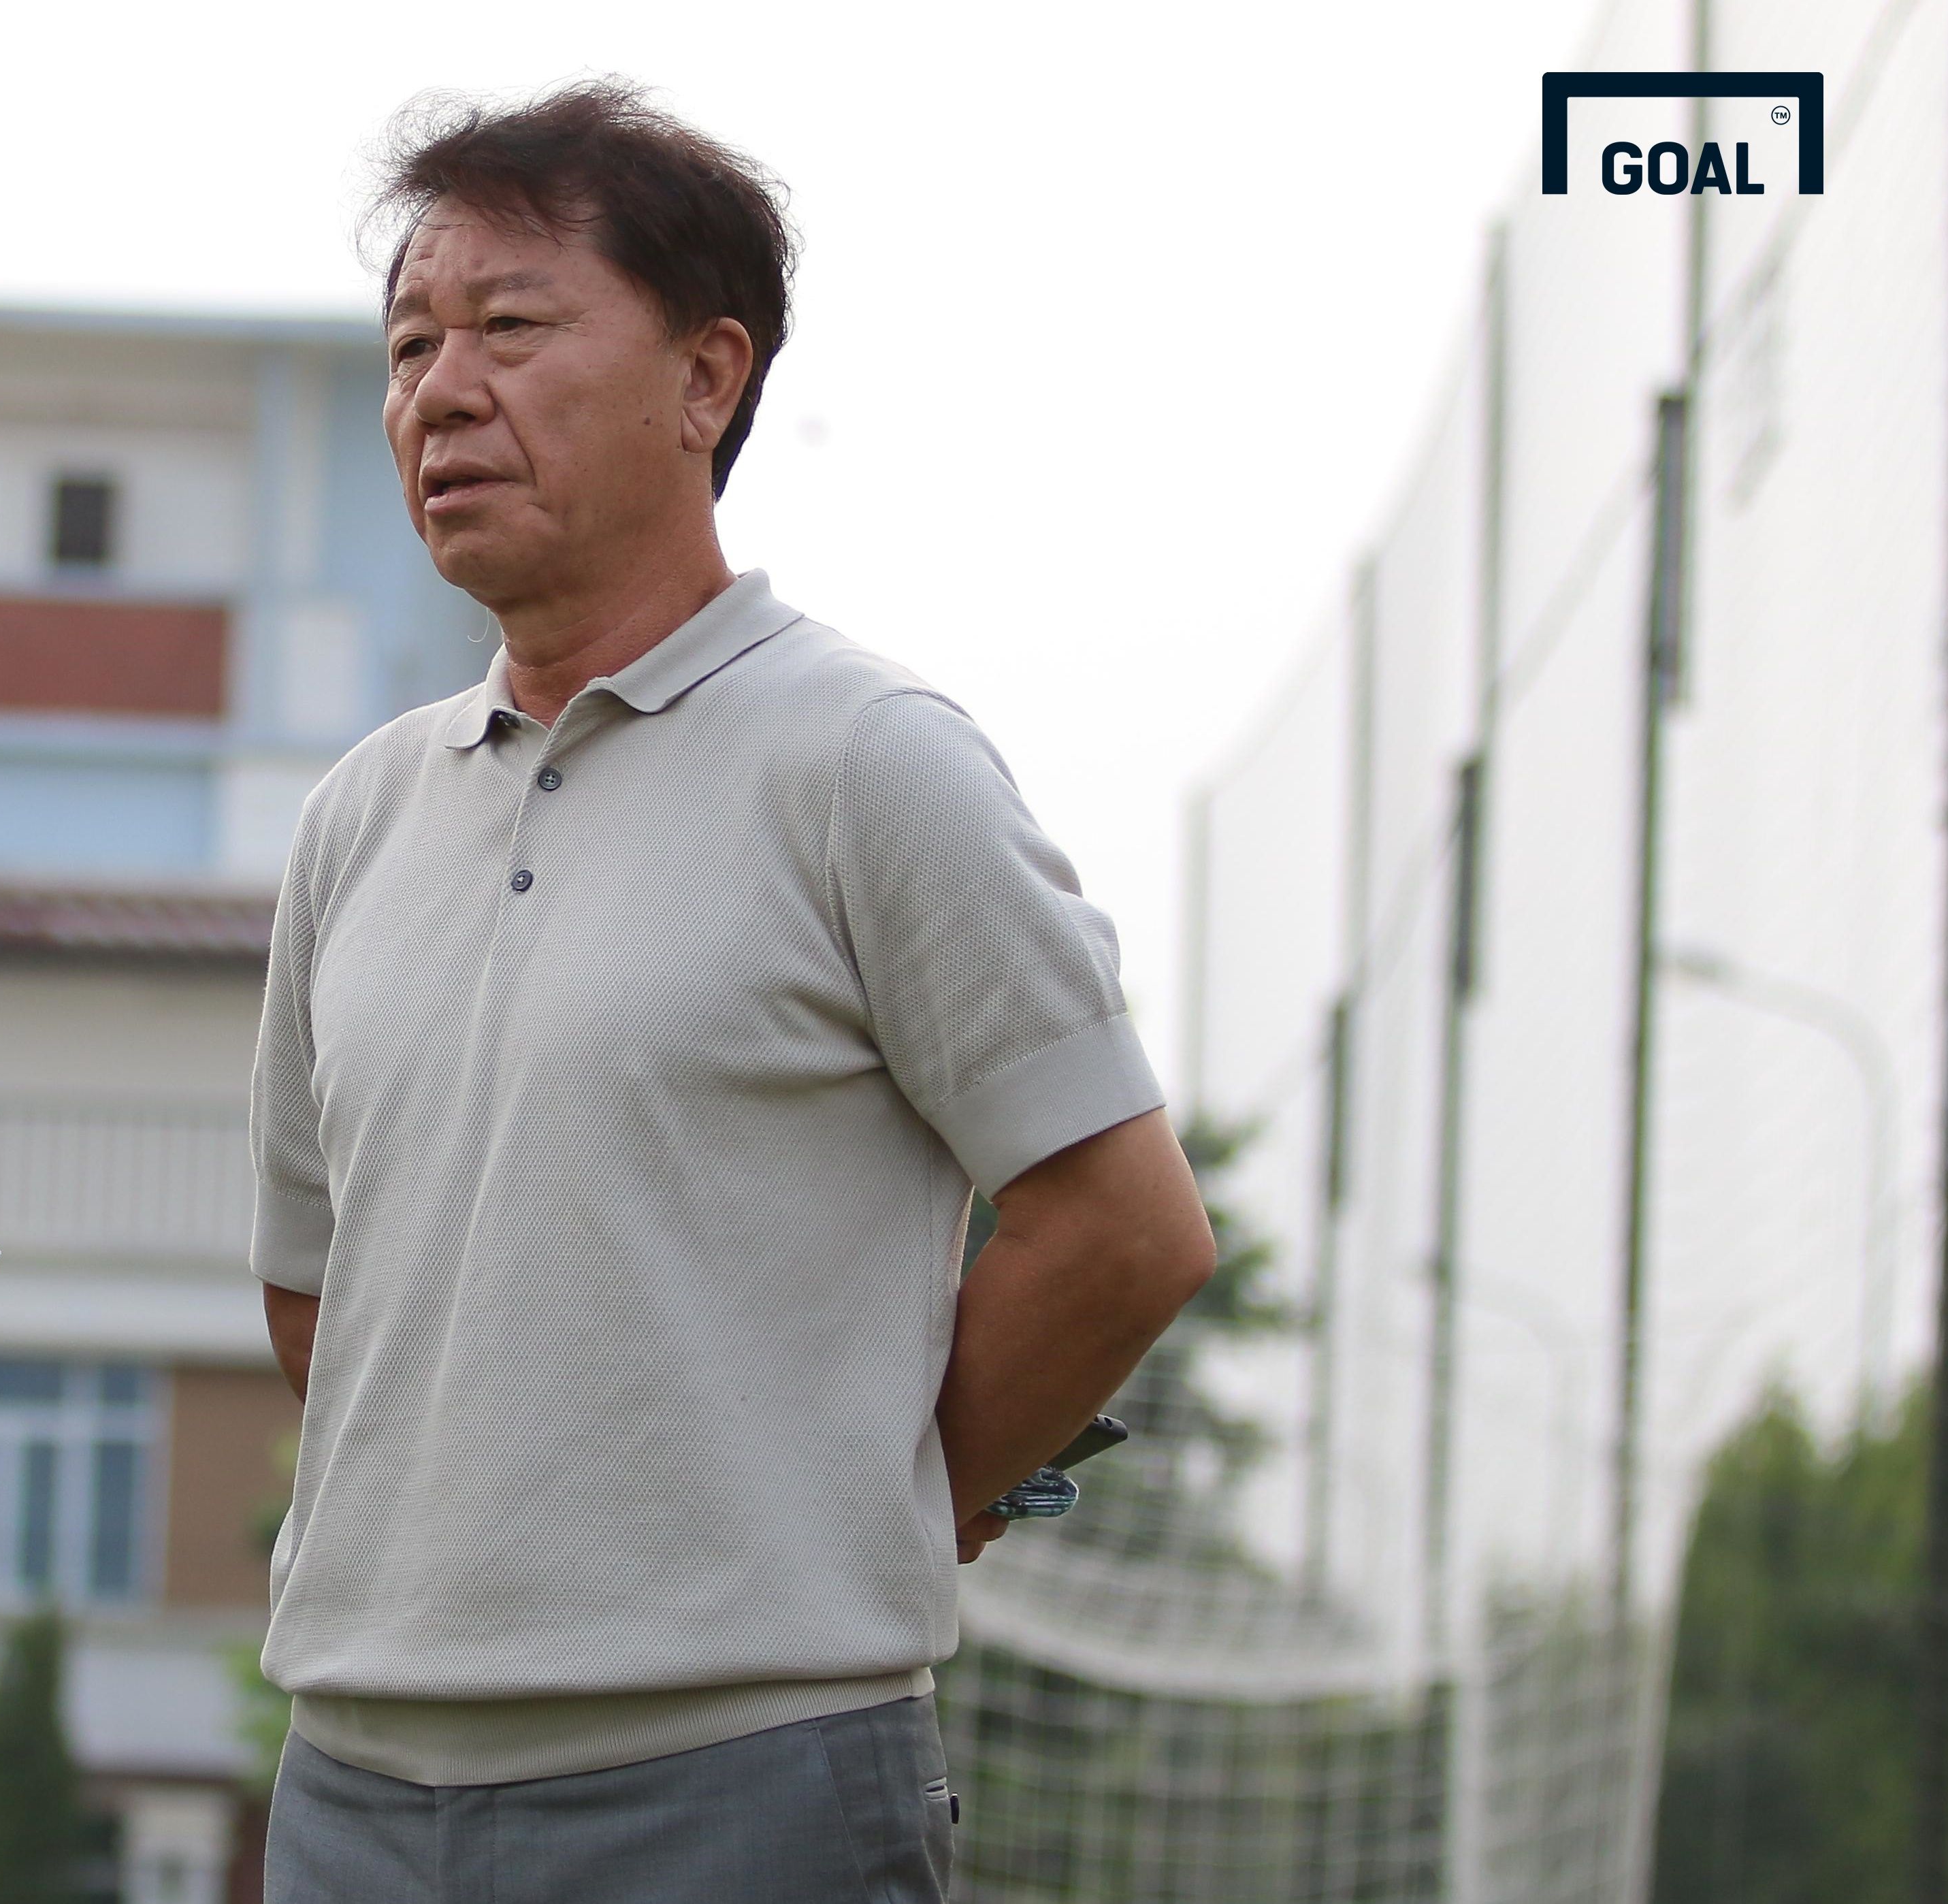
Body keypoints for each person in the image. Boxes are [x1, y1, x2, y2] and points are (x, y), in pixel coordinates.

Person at [249, 83, 1218, 1901]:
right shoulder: (355, 816)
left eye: (512, 328)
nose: (438, 392)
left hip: (739, 1788)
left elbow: (1122, 1227)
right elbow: (322, 1300)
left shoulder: (867, 756)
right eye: (406, 344)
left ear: (707, 379)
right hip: (351, 1791)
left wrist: (859, 1500)